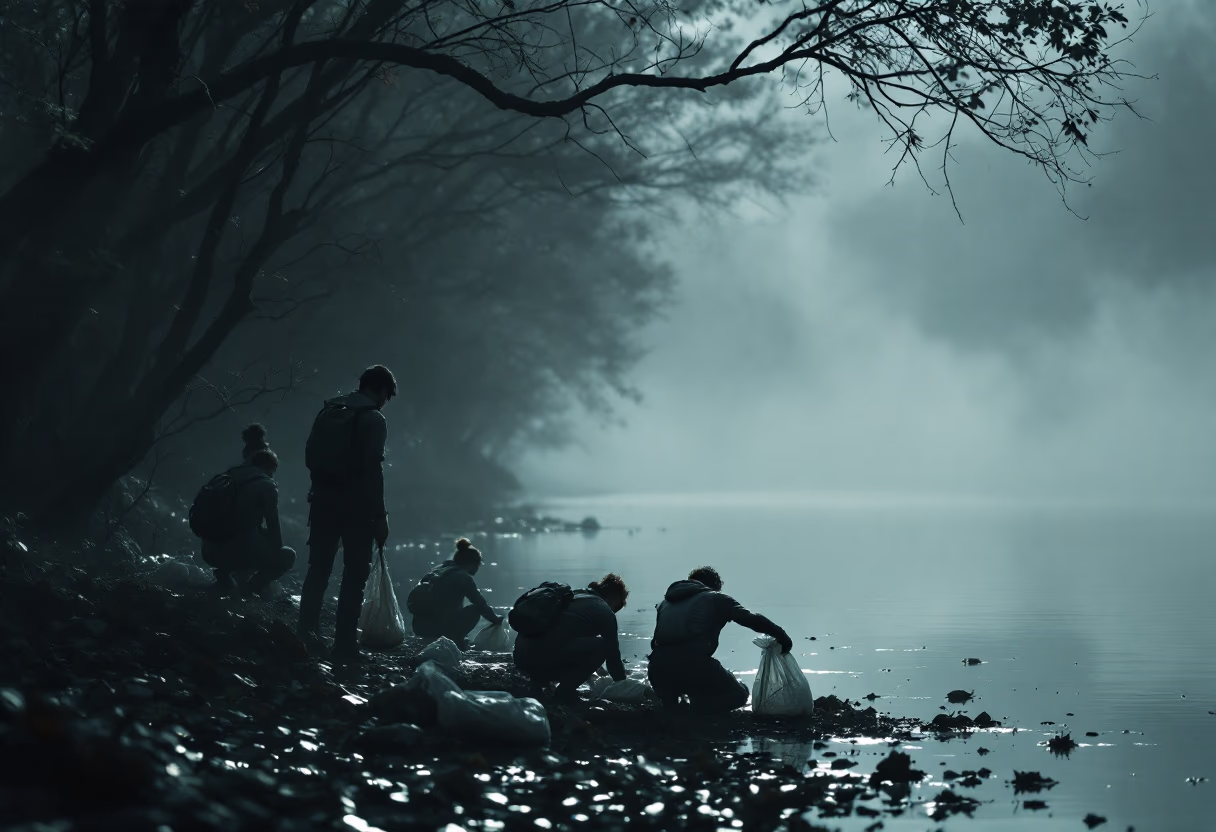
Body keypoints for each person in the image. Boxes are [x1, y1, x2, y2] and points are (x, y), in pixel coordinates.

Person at [297, 365, 396, 663]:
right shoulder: (373, 419)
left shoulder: (331, 409)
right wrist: (380, 516)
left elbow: (309, 456)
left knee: (318, 568)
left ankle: (305, 634)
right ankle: (344, 645)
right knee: (354, 575)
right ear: (381, 390)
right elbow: (373, 470)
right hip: (356, 508)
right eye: (387, 397)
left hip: (322, 500)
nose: (385, 402)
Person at [648, 566, 793, 714]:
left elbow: (655, 643)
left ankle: (677, 708)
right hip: (693, 665)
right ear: (715, 586)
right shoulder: (715, 598)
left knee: (679, 696)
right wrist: (781, 635)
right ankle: (698, 712)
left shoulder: (665, 603)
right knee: (739, 694)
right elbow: (752, 620)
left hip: (658, 670)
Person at [200, 425, 295, 597]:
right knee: (287, 555)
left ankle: (225, 575)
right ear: (269, 468)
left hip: (209, 550)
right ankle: (245, 590)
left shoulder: (227, 475)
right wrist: (273, 555)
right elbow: (274, 531)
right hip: (238, 551)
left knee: (248, 535)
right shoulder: (266, 485)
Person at [514, 573, 629, 703]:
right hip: (541, 659)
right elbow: (613, 657)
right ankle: (565, 692)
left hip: (521, 657)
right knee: (604, 646)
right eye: (618, 606)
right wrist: (623, 685)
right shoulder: (604, 610)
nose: (615, 611)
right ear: (614, 598)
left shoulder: (573, 595)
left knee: (555, 640)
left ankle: (538, 684)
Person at [410, 538, 502, 648]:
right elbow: (481, 604)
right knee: (477, 608)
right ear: (473, 564)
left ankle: (452, 636)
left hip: (420, 627)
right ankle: (456, 639)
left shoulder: (438, 570)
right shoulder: (462, 576)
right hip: (439, 628)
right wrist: (496, 619)